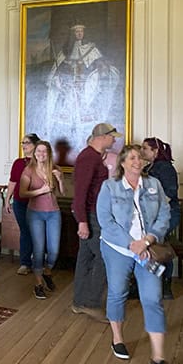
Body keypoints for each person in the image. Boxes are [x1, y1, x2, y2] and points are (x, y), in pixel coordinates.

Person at [97, 144, 174, 364]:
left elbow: (164, 214)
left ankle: (158, 357)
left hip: (148, 249)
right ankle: (117, 338)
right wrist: (132, 244)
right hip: (117, 248)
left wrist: (148, 240)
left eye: (139, 158)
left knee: (152, 297)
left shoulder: (154, 185)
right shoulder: (109, 187)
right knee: (118, 291)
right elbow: (106, 221)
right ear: (122, 163)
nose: (136, 162)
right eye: (131, 158)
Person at [45, 23, 120, 156]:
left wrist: (99, 70)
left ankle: (85, 145)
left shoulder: (91, 49)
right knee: (64, 120)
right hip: (68, 91)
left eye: (81, 31)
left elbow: (100, 67)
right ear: (72, 34)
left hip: (85, 90)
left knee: (86, 120)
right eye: (76, 32)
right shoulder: (65, 52)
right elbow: (55, 73)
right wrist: (59, 80)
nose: (79, 34)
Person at [71, 122, 120, 323]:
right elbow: (80, 192)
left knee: (86, 258)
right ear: (102, 136)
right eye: (112, 136)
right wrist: (82, 221)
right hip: (91, 216)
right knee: (103, 257)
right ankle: (89, 303)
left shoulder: (92, 157)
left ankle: (80, 301)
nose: (115, 140)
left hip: (93, 215)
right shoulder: (88, 158)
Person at [18, 140, 64, 300]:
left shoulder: (55, 168)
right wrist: (40, 190)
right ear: (35, 153)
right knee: (38, 249)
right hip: (35, 213)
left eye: (44, 151)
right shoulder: (28, 170)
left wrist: (60, 179)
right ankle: (38, 284)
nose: (41, 154)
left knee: (54, 250)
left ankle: (47, 271)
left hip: (53, 213)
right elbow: (22, 193)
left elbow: (62, 193)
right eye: (38, 151)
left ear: (49, 153)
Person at [142, 137, 181, 300]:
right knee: (158, 244)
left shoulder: (165, 168)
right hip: (155, 214)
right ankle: (157, 284)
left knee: (160, 246)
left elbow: (169, 194)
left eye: (145, 148)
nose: (142, 151)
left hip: (167, 213)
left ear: (155, 151)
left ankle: (165, 286)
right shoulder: (151, 167)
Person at [5, 133, 41, 275]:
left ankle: (38, 262)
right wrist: (8, 199)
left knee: (38, 232)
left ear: (35, 145)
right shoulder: (18, 163)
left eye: (27, 143)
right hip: (20, 202)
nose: (24, 146)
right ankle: (25, 263)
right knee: (25, 231)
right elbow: (13, 182)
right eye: (22, 143)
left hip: (37, 203)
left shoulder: (41, 162)